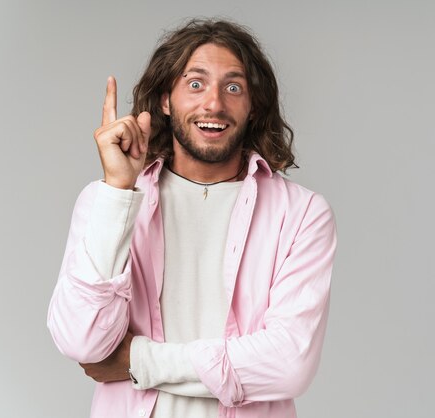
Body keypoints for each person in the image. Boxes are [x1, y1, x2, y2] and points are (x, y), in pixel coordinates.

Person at [47, 18, 337, 418]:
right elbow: (83, 341)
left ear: (254, 106)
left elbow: (289, 363)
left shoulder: (301, 214)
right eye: (195, 84)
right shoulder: (106, 202)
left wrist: (139, 361)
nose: (214, 103)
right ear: (166, 100)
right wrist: (117, 190)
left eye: (233, 87)